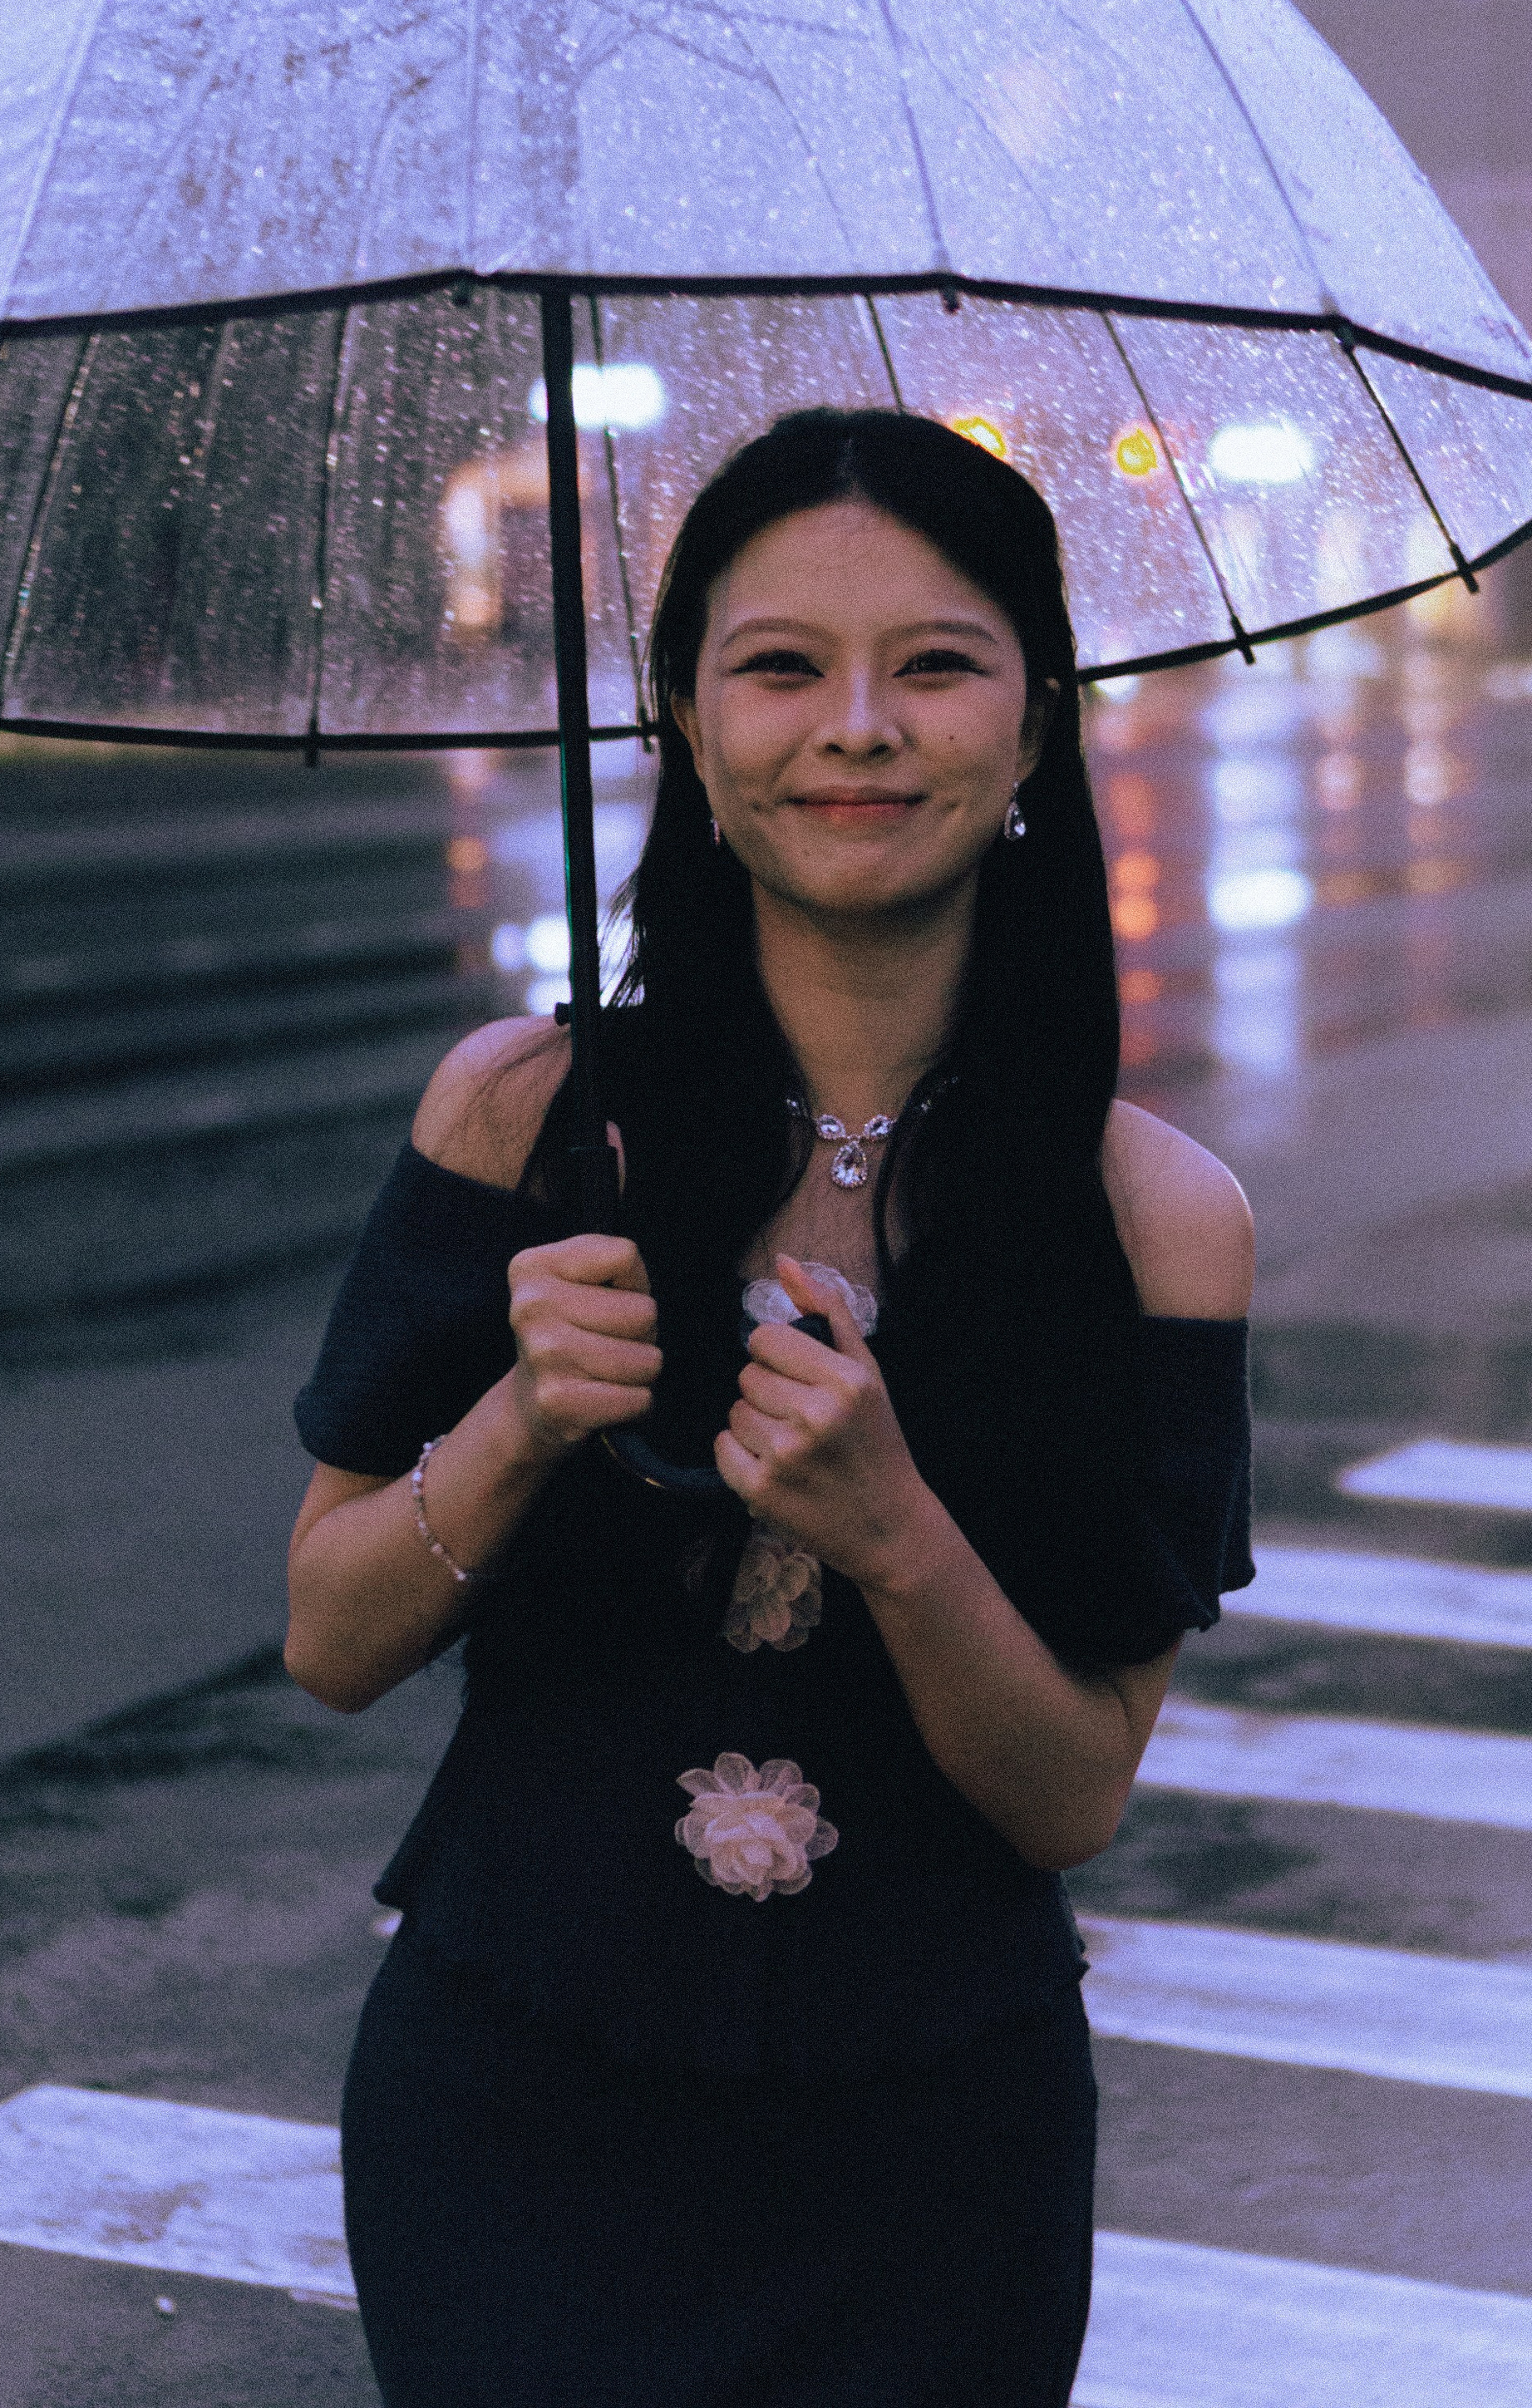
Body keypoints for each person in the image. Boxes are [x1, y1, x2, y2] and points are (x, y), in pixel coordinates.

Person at [284, 406, 1256, 2407]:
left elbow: (1071, 1793)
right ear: (686, 720)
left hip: (932, 2159)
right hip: (517, 2107)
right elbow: (329, 1638)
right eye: (781, 666)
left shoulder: (1153, 1221)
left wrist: (896, 1537)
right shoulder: (524, 1120)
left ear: (1034, 723)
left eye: (935, 664)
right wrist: (520, 1420)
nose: (857, 729)